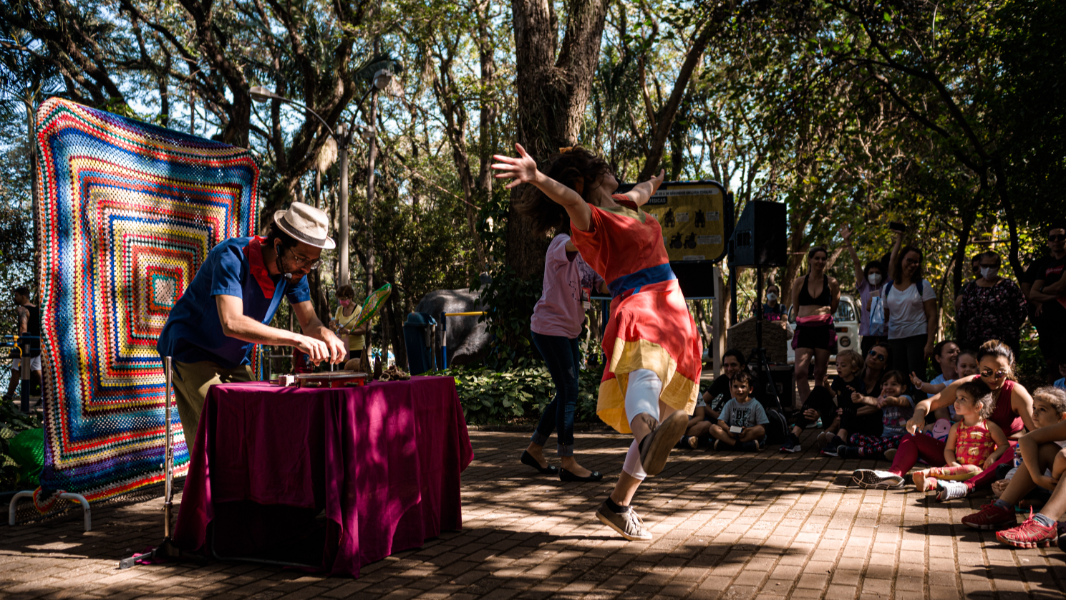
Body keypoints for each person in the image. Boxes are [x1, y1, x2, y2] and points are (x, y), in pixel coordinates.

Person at [492, 145, 702, 542]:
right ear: (586, 179)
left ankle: (618, 504)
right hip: (641, 302)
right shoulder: (589, 219)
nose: (613, 173)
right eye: (604, 168)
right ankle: (647, 437)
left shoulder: (625, 202)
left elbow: (642, 189)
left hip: (674, 309)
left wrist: (657, 179)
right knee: (648, 376)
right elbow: (568, 197)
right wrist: (536, 177)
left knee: (669, 406)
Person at [157, 202, 347, 450]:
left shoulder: (294, 273)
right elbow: (231, 322)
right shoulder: (232, 256)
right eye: (301, 258)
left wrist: (325, 334)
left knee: (257, 423)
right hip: (191, 350)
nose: (307, 268)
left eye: (313, 262)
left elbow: (310, 322)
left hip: (235, 358)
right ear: (278, 246)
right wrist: (298, 339)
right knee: (221, 432)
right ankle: (209, 488)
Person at [851, 340, 1038, 498]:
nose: (994, 378)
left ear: (1010, 369)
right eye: (987, 372)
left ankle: (966, 487)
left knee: (1016, 448)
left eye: (1000, 373)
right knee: (912, 437)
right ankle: (893, 475)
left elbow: (1036, 432)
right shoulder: (969, 384)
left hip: (997, 459)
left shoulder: (1015, 392)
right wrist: (918, 416)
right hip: (962, 455)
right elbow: (929, 403)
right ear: (978, 366)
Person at [521, 230, 605, 482]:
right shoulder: (561, 242)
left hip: (570, 331)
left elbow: (599, 285)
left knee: (567, 391)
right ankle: (567, 461)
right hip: (549, 327)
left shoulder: (592, 257)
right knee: (569, 389)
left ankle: (535, 449)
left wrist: (631, 280)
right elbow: (574, 244)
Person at [962, 387, 1066, 538]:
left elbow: (1063, 458)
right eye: (1034, 409)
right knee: (1039, 450)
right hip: (1049, 481)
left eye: (1042, 409)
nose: (1035, 413)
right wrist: (1037, 476)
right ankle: (1002, 508)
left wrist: (1052, 476)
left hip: (1053, 484)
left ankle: (1045, 522)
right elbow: (1026, 439)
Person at [911, 380, 1009, 500]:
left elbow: (1005, 445)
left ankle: (930, 472)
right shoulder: (956, 427)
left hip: (978, 471)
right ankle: (927, 483)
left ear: (978, 406)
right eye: (957, 398)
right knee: (946, 475)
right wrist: (953, 464)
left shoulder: (990, 427)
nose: (956, 402)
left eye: (963, 399)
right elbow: (948, 450)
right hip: (956, 467)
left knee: (970, 470)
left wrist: (993, 456)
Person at [779, 349, 863, 453]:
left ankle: (839, 439)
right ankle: (794, 436)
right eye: (837, 365)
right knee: (819, 389)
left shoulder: (858, 383)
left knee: (849, 393)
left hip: (849, 421)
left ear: (854, 369)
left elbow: (861, 404)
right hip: (836, 415)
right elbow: (833, 395)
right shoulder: (838, 380)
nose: (838, 368)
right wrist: (826, 386)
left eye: (843, 365)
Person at [821, 343, 893, 455]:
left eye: (880, 357)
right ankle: (832, 436)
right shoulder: (854, 374)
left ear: (885, 364)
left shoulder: (885, 382)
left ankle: (832, 435)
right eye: (872, 353)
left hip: (869, 420)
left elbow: (878, 406)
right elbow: (839, 395)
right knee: (820, 393)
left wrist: (848, 413)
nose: (874, 357)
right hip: (847, 416)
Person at [790, 246, 840, 404]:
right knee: (800, 372)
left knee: (819, 373)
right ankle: (807, 409)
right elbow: (796, 307)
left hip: (824, 330)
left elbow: (834, 307)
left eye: (823, 259)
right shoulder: (799, 282)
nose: (820, 261)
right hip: (804, 330)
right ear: (810, 260)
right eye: (817, 258)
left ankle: (819, 408)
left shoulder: (832, 282)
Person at [955, 251, 1028, 357]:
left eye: (992, 266)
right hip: (977, 344)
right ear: (980, 266)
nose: (988, 268)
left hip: (1004, 344)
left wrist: (1008, 329)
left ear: (998, 266)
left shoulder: (1009, 286)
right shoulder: (971, 288)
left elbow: (1021, 311)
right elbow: (963, 314)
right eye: (985, 265)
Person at [883, 244, 938, 378]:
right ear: (901, 260)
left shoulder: (923, 285)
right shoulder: (887, 287)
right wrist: (873, 307)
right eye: (909, 260)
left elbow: (932, 315)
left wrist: (930, 343)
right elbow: (885, 317)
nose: (913, 264)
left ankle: (920, 400)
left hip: (918, 337)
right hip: (895, 338)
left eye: (916, 262)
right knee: (898, 378)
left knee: (917, 377)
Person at [834, 370, 914, 459]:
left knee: (902, 440)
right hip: (883, 440)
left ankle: (858, 452)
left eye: (894, 384)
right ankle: (883, 454)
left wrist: (886, 401)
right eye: (885, 384)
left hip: (901, 440)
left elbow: (898, 401)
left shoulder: (907, 399)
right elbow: (874, 401)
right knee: (854, 437)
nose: (889, 387)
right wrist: (862, 399)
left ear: (903, 388)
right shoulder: (882, 399)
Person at [679, 349, 745, 449]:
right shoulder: (722, 380)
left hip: (742, 424)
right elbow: (703, 404)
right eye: (726, 365)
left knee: (753, 430)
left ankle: (730, 443)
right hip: (725, 424)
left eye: (733, 365)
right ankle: (727, 442)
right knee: (711, 426)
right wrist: (718, 416)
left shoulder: (751, 384)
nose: (729, 368)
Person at [840, 226, 887, 357]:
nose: (874, 275)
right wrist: (847, 242)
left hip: (886, 334)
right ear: (866, 274)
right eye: (871, 272)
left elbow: (893, 263)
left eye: (877, 272)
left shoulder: (887, 286)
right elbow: (856, 262)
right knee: (868, 364)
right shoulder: (864, 286)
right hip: (868, 335)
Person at [1026, 225, 1066, 375]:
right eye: (1052, 238)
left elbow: (1061, 286)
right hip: (1049, 325)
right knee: (1052, 364)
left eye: (1060, 237)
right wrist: (1054, 295)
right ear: (1048, 242)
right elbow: (1033, 294)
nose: (1056, 240)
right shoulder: (1045, 265)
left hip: (1064, 322)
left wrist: (1045, 291)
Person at [708, 370, 768, 451]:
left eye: (743, 386)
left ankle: (729, 444)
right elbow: (720, 421)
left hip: (747, 435)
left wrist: (747, 430)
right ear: (731, 389)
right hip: (732, 433)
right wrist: (727, 429)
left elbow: (761, 426)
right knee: (713, 428)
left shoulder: (756, 404)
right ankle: (740, 445)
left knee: (761, 431)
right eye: (735, 386)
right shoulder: (730, 403)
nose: (739, 390)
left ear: (750, 389)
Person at [4, 287, 41, 402]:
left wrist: (19, 345)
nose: (15, 298)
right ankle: (47, 396)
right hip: (37, 346)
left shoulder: (22, 310)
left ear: (23, 296)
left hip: (26, 347)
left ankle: (8, 397)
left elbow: (23, 329)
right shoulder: (38, 309)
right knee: (37, 371)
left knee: (15, 370)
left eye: (16, 296)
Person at [330, 285, 368, 363]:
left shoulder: (359, 310)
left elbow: (363, 330)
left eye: (343, 299)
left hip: (357, 349)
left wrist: (347, 331)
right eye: (340, 299)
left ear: (351, 297)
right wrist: (333, 327)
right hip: (343, 348)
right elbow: (336, 329)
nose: (341, 301)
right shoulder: (339, 309)